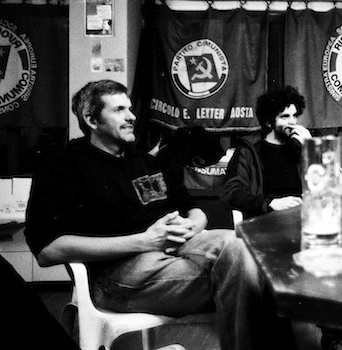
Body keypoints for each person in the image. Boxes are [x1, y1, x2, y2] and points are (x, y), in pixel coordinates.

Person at [24, 80, 296, 350]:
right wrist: (144, 241)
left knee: (239, 245)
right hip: (117, 272)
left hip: (179, 249)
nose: (132, 117)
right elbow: (48, 250)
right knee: (252, 280)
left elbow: (193, 209)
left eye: (130, 109)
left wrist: (191, 225)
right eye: (119, 110)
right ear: (91, 119)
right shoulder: (63, 165)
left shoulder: (144, 160)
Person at [221, 85, 313, 218]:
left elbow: (328, 182)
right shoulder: (248, 152)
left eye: (294, 116)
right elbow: (231, 193)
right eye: (285, 117)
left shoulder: (301, 147)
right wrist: (269, 203)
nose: (292, 122)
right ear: (269, 122)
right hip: (265, 220)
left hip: (302, 217)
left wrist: (310, 148)